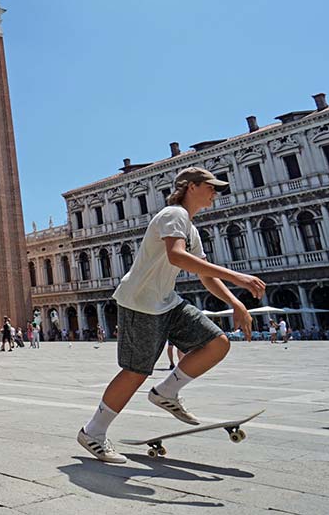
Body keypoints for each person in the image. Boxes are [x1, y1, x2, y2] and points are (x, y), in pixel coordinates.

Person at [78, 167, 266, 464]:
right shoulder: (173, 215)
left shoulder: (190, 227)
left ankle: (166, 391)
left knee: (217, 342)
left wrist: (235, 302)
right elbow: (176, 256)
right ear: (191, 187)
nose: (215, 192)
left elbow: (204, 274)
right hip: (140, 301)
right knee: (136, 371)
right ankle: (93, 432)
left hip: (166, 301)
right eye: (211, 186)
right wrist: (237, 277)